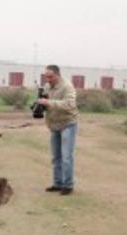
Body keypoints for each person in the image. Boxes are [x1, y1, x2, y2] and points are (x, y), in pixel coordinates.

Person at [37, 65, 79, 195]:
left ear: (57, 74)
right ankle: (57, 183)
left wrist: (49, 103)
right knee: (56, 157)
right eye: (46, 77)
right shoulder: (47, 86)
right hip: (54, 125)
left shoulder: (67, 86)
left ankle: (68, 185)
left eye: (50, 77)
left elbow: (69, 105)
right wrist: (38, 107)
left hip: (68, 124)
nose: (48, 79)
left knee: (66, 156)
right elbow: (46, 102)